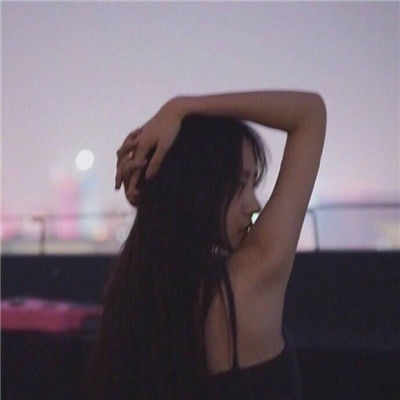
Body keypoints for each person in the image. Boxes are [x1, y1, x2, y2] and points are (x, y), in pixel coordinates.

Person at [88, 91, 327, 399]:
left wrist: (155, 195)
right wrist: (181, 106)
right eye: (239, 184)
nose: (254, 204)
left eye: (252, 184)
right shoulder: (248, 283)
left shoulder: (131, 300)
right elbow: (310, 113)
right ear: (198, 188)